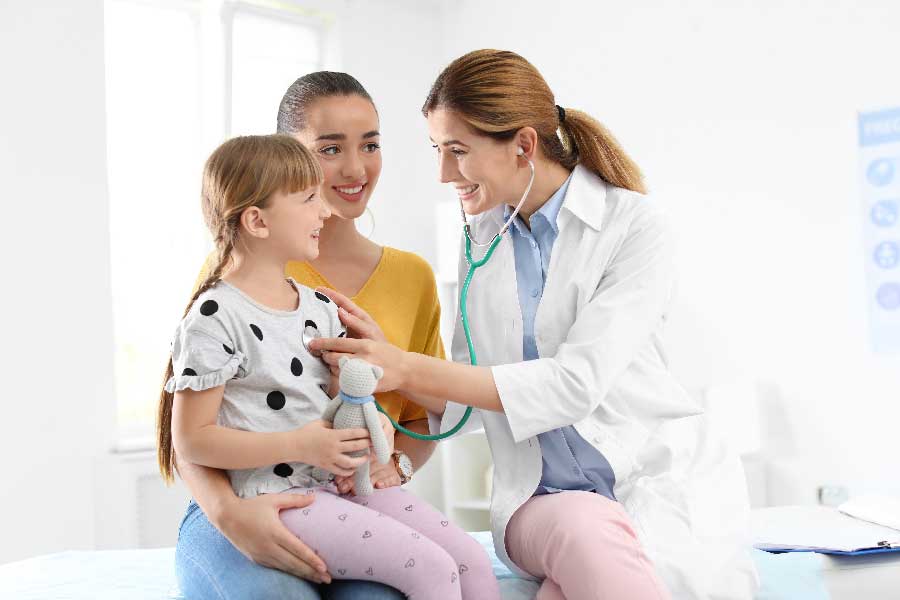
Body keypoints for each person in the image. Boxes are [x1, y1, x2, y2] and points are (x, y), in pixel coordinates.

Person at [310, 49, 758, 600]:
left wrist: (403, 367)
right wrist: (394, 370)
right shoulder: (481, 236)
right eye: (437, 151)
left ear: (523, 144)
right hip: (542, 504)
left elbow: (575, 385)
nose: (444, 173)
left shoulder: (634, 227)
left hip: (655, 485)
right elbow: (466, 397)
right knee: (582, 527)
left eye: (457, 151)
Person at [160, 134, 498, 600]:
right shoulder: (214, 317)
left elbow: (341, 403)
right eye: (307, 199)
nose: (323, 211)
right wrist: (301, 444)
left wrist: (367, 419)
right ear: (257, 220)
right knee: (431, 568)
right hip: (280, 496)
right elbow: (191, 440)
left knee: (472, 562)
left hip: (343, 486)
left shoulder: (319, 309)